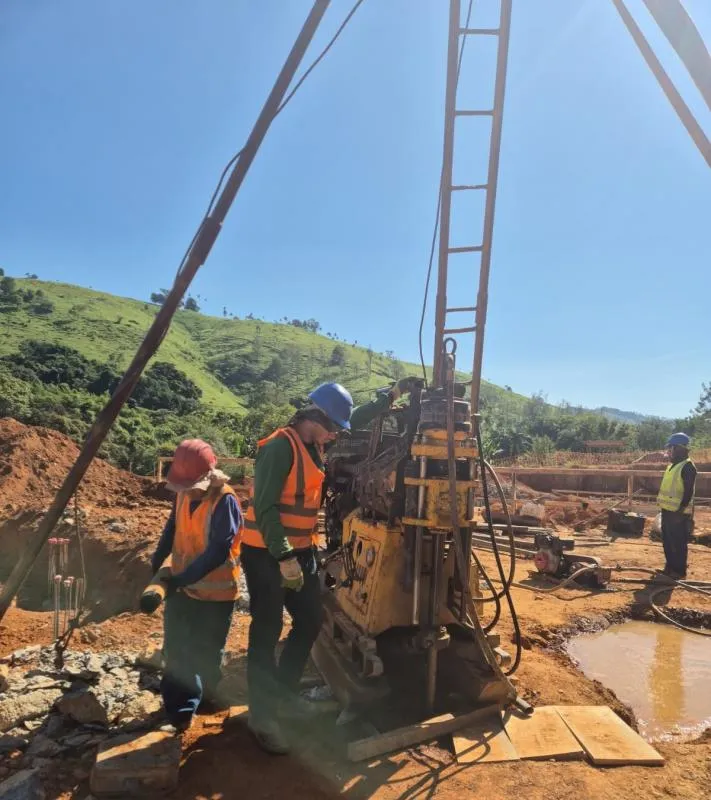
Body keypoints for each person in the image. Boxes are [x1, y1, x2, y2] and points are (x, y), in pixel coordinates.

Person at [241, 378, 415, 754]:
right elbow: (265, 507)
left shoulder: (316, 443)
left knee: (309, 620)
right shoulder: (279, 447)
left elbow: (357, 419)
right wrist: (284, 556)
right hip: (266, 553)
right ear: (315, 417)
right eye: (333, 426)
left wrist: (392, 395)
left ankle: (284, 695)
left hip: (299, 551)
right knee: (267, 631)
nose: (337, 434)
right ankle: (262, 716)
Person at [151, 439, 243, 731]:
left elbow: (218, 550)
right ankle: (179, 712)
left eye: (192, 486)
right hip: (182, 588)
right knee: (177, 649)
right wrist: (157, 562)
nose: (188, 491)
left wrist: (183, 578)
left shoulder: (225, 500)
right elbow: (172, 528)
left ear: (208, 476)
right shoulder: (182, 494)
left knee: (208, 652)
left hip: (216, 594)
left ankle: (208, 698)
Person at [657, 432, 696, 580]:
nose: (669, 451)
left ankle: (679, 571)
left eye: (671, 448)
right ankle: (670, 567)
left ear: (679, 448)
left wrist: (681, 509)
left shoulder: (688, 467)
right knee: (668, 540)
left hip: (678, 513)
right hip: (668, 510)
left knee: (678, 542)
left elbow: (688, 491)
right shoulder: (673, 466)